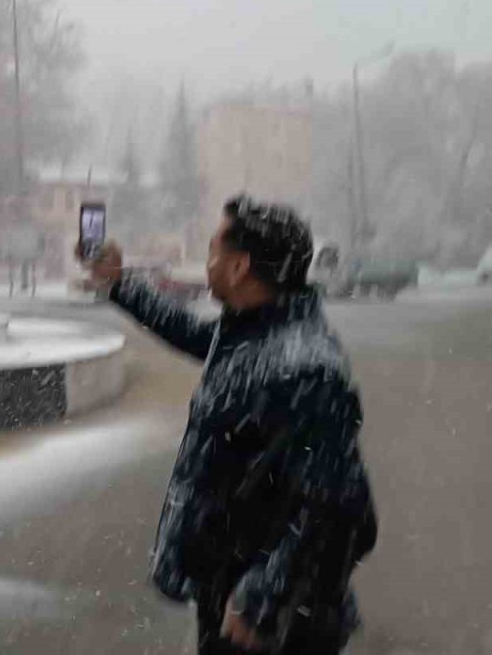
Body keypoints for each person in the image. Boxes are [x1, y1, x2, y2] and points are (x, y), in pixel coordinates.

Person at [80, 195, 377, 654]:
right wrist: (120, 284)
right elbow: (190, 331)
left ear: (239, 268)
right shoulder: (256, 331)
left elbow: (341, 510)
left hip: (274, 624)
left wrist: (264, 600)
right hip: (233, 591)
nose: (208, 262)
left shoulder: (305, 369)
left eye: (213, 250)